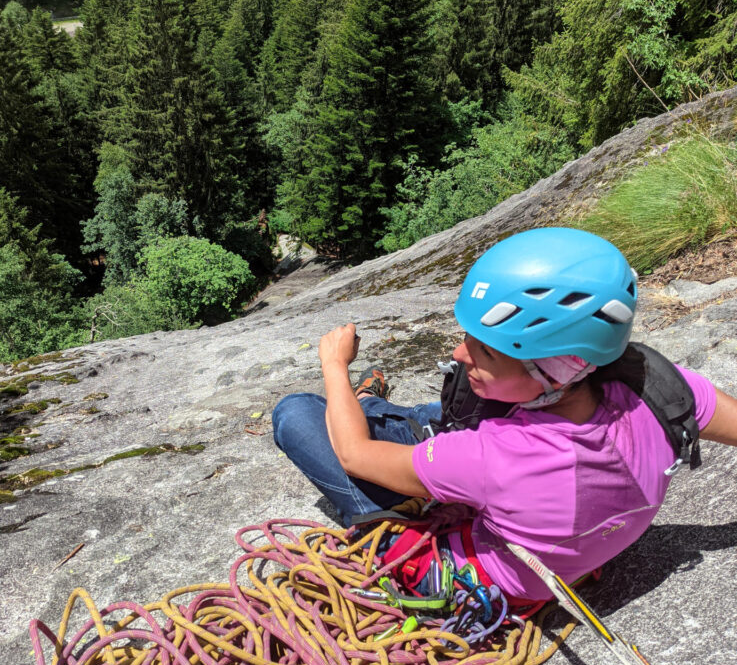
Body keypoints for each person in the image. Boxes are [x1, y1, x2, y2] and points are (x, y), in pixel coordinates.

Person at [272, 228, 737, 601]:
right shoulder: (661, 388)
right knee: (431, 410)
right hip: (562, 537)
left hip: (473, 576)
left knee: (297, 413)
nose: (459, 353)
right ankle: (373, 405)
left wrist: (334, 364)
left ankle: (370, 416)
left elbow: (354, 455)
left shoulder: (493, 457)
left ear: (550, 370)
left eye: (484, 354)